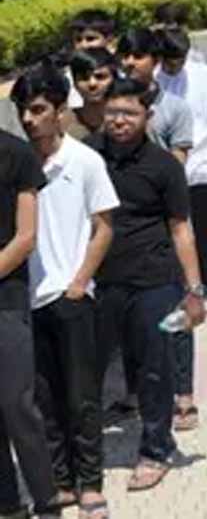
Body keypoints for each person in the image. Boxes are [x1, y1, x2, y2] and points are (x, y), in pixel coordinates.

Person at [88, 78, 206, 492]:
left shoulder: (164, 166)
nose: (119, 121)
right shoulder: (87, 156)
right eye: (113, 112)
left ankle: (156, 449)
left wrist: (195, 291)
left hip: (153, 281)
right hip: (98, 281)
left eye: (130, 113)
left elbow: (181, 229)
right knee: (88, 366)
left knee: (155, 369)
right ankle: (81, 450)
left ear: (147, 116)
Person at [12, 65, 119, 519]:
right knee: (41, 398)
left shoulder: (84, 161)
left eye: (38, 110)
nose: (29, 119)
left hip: (71, 296)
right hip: (24, 298)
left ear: (60, 111)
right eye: (23, 110)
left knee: (81, 396)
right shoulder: (16, 163)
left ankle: (90, 482)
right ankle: (58, 480)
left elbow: (104, 227)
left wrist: (79, 282)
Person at [157, 27, 207, 335]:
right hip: (166, 170)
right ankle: (179, 293)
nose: (174, 67)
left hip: (201, 167)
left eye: (179, 60)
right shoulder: (152, 81)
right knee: (172, 233)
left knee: (206, 232)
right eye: (169, 62)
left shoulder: (204, 76)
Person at [0, 123, 61, 519]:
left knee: (16, 403)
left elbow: (26, 237)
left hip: (6, 296)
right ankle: (8, 504)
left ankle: (47, 500)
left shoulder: (16, 154)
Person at [116, 28, 195, 163]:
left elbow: (178, 162)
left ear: (156, 60)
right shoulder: (109, 103)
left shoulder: (175, 108)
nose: (130, 62)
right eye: (125, 56)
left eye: (138, 56)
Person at [63, 9, 117, 110]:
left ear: (110, 41)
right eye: (78, 39)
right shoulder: (65, 80)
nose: (84, 45)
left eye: (91, 39)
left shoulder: (123, 73)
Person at [65, 48, 116, 141]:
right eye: (84, 78)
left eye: (100, 77)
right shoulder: (63, 124)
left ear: (114, 79)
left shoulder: (129, 121)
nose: (92, 84)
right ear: (75, 83)